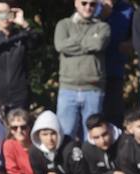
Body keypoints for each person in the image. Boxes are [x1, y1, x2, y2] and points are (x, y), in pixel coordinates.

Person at [55, 0, 111, 142]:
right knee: (65, 135)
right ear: (76, 3)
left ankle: (91, 165)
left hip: (93, 88)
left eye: (92, 4)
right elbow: (61, 46)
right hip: (68, 88)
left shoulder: (102, 26)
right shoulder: (63, 24)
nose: (88, 7)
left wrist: (73, 42)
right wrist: (89, 39)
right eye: (84, 3)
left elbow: (98, 44)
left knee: (93, 137)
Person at [0, 2, 40, 117]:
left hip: (19, 95)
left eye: (7, 13)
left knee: (19, 130)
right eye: (0, 14)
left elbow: (37, 41)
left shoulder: (22, 36)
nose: (4, 17)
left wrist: (25, 24)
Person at [99, 0, 136, 127]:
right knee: (95, 115)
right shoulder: (90, 5)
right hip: (93, 72)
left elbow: (136, 36)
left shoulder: (128, 9)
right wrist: (102, 15)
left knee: (114, 114)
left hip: (115, 69)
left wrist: (130, 44)